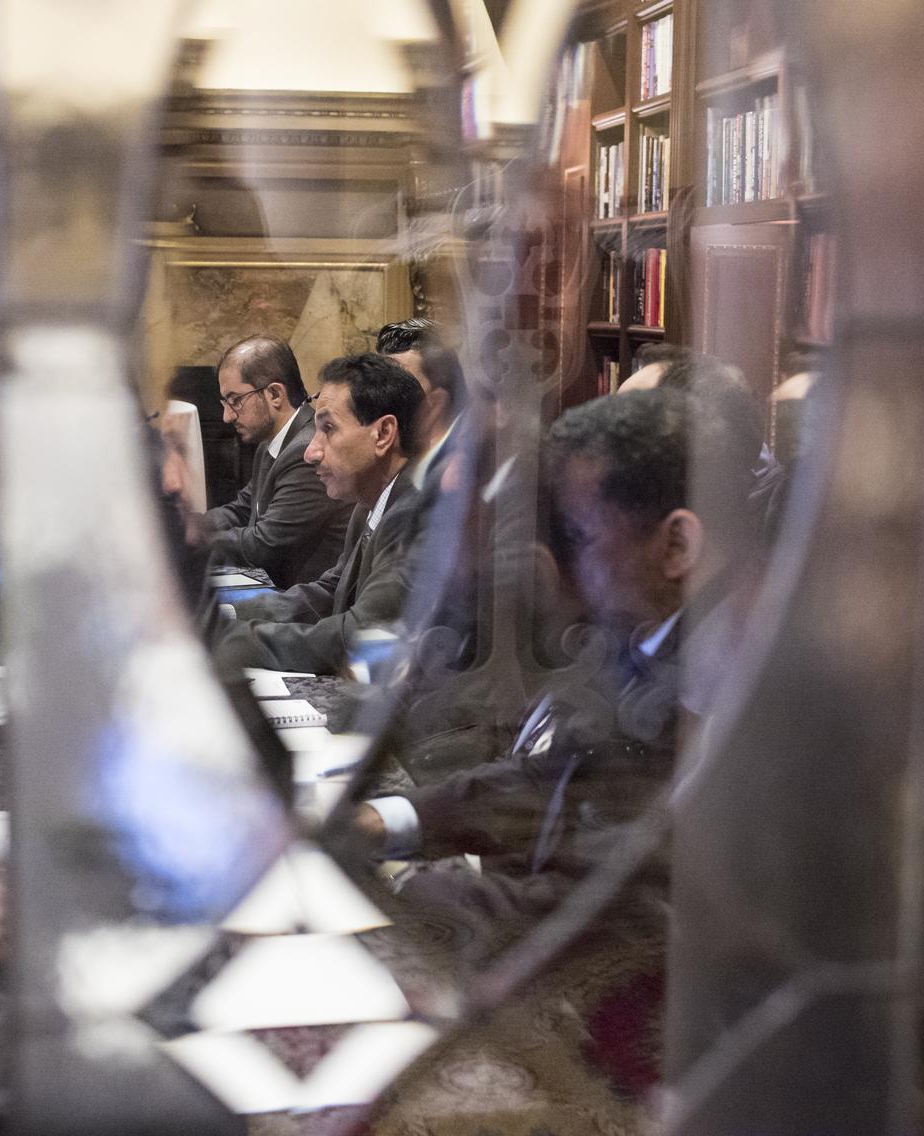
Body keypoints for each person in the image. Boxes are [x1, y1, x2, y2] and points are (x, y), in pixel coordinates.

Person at [350, 387, 761, 1118]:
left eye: (577, 533)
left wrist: (396, 897)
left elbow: (619, 900)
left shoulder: (740, 679)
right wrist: (386, 822)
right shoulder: (652, 620)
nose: (557, 562)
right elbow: (541, 772)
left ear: (677, 545)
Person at [215, 353, 423, 675]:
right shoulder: (369, 504)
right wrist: (226, 614)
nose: (311, 452)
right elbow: (326, 595)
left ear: (383, 434)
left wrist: (231, 642)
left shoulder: (413, 516)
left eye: (328, 429)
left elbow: (357, 637)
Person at [196, 336, 352, 588]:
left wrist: (191, 540)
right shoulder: (269, 444)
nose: (227, 416)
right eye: (225, 403)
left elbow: (265, 544)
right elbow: (242, 509)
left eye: (236, 400)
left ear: (275, 394)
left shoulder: (307, 450)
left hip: (305, 605)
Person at [376, 319, 466, 491]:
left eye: (395, 384)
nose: (380, 396)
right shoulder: (391, 464)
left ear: (435, 403)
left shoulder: (456, 478)